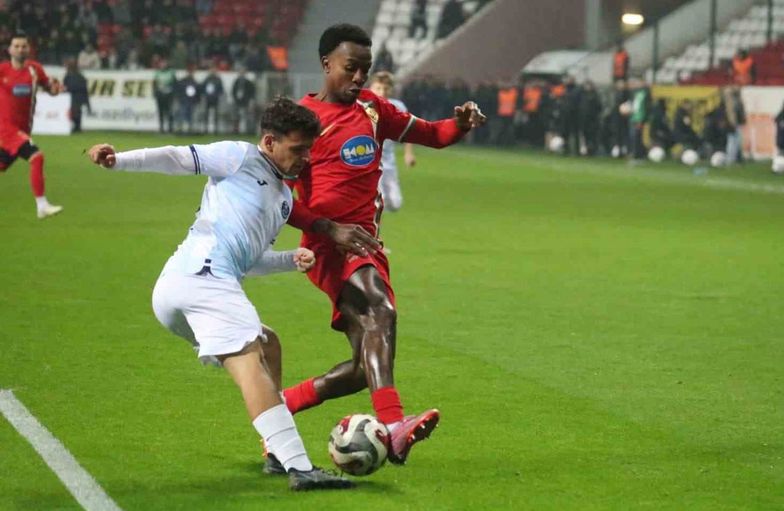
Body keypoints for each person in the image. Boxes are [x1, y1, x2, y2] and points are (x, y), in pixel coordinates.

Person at [85, 97, 382, 491]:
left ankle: (277, 453)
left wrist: (289, 259)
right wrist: (118, 160)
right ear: (269, 141)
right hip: (203, 279)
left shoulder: (281, 200)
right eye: (298, 149)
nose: (305, 158)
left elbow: (247, 260)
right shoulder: (240, 156)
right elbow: (178, 157)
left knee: (268, 344)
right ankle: (299, 467)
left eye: (309, 149)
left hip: (183, 285)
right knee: (249, 362)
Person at [278, 23, 485, 469]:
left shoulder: (373, 109)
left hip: (366, 245)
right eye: (350, 68)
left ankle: (280, 407)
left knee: (362, 368)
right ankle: (393, 425)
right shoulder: (303, 121)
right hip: (327, 246)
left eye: (365, 69)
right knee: (380, 311)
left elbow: (432, 134)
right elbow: (278, 201)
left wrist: (460, 124)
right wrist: (330, 229)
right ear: (326, 64)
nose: (359, 78)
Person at [0, 31, 64, 219]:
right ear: (10, 50)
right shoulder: (2, 70)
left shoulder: (35, 70)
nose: (20, 49)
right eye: (16, 46)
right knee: (36, 157)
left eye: (24, 46)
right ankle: (42, 205)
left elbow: (49, 88)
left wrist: (55, 89)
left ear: (29, 49)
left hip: (23, 130)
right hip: (6, 129)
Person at [368, 71, 415, 213]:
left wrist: (408, 154)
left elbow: (408, 131)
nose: (382, 92)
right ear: (370, 88)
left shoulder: (398, 107)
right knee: (378, 201)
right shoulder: (363, 106)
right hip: (369, 161)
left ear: (391, 90)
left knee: (395, 204)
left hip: (389, 162)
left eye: (385, 88)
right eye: (378, 88)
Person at [62, 58, 91, 133]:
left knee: (75, 113)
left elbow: (66, 87)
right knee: (76, 113)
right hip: (76, 97)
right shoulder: (79, 76)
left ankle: (77, 127)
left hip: (74, 97)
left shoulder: (70, 76)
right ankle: (77, 127)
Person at [153, 58, 176, 133]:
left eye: (164, 63)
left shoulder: (171, 72)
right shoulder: (157, 73)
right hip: (160, 95)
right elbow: (154, 85)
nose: (163, 65)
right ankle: (161, 128)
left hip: (169, 95)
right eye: (161, 63)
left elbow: (175, 84)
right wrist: (156, 93)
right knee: (161, 112)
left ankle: (170, 128)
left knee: (169, 112)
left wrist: (172, 93)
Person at [176, 68, 201, 133]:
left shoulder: (194, 82)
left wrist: (197, 100)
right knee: (182, 115)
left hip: (191, 101)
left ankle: (189, 129)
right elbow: (179, 90)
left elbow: (197, 92)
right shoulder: (182, 81)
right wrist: (180, 98)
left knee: (190, 116)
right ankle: (181, 129)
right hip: (184, 101)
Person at [201, 65, 224, 134]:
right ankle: (205, 129)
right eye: (211, 70)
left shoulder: (218, 79)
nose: (212, 71)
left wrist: (217, 95)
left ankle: (215, 129)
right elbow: (203, 88)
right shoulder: (207, 79)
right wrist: (205, 95)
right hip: (208, 99)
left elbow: (221, 90)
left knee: (216, 115)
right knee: (206, 114)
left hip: (215, 99)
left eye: (214, 70)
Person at [232, 68, 256, 134]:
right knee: (236, 116)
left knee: (248, 116)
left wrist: (250, 101)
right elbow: (233, 91)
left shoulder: (248, 82)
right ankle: (236, 130)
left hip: (246, 102)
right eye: (240, 72)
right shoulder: (236, 82)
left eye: (243, 72)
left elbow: (252, 92)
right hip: (237, 101)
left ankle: (249, 131)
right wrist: (235, 99)